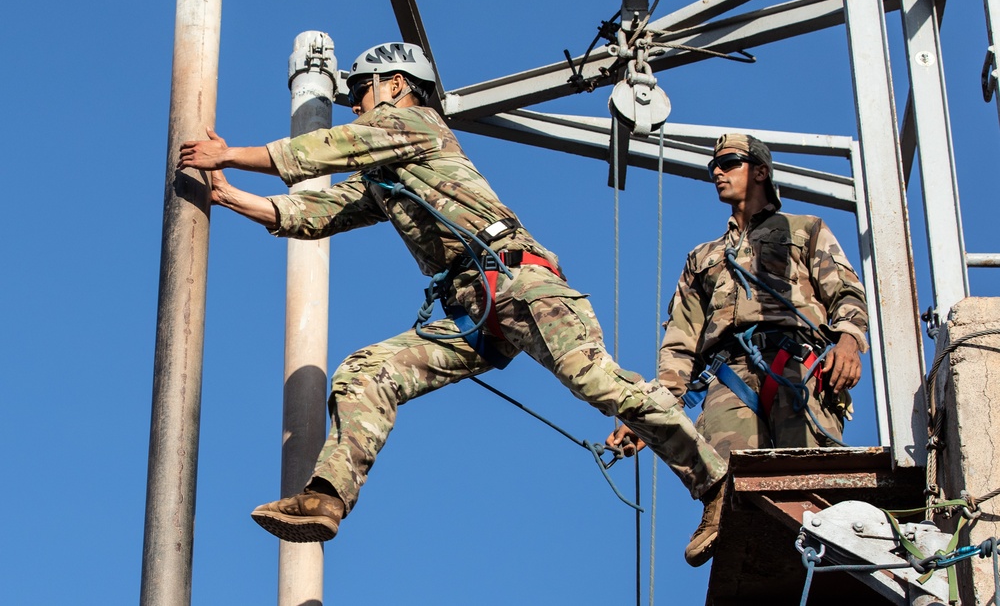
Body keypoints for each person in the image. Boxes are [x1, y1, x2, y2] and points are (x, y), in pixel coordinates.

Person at [178, 42, 727, 555]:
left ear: (395, 84)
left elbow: (322, 150)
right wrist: (230, 197)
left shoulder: (412, 123)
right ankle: (326, 496)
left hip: (519, 284)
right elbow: (316, 213)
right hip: (479, 311)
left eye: (360, 93)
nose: (354, 107)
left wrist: (230, 155)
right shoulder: (388, 171)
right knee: (367, 372)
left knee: (597, 381)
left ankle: (714, 484)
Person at [609, 133, 869, 566]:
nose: (717, 171)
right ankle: (717, 512)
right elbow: (680, 342)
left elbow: (844, 291)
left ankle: (831, 552)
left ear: (761, 171)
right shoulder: (703, 257)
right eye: (714, 165)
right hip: (729, 372)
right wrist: (652, 412)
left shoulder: (804, 230)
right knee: (727, 476)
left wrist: (848, 341)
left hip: (796, 365)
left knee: (807, 480)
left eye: (729, 163)